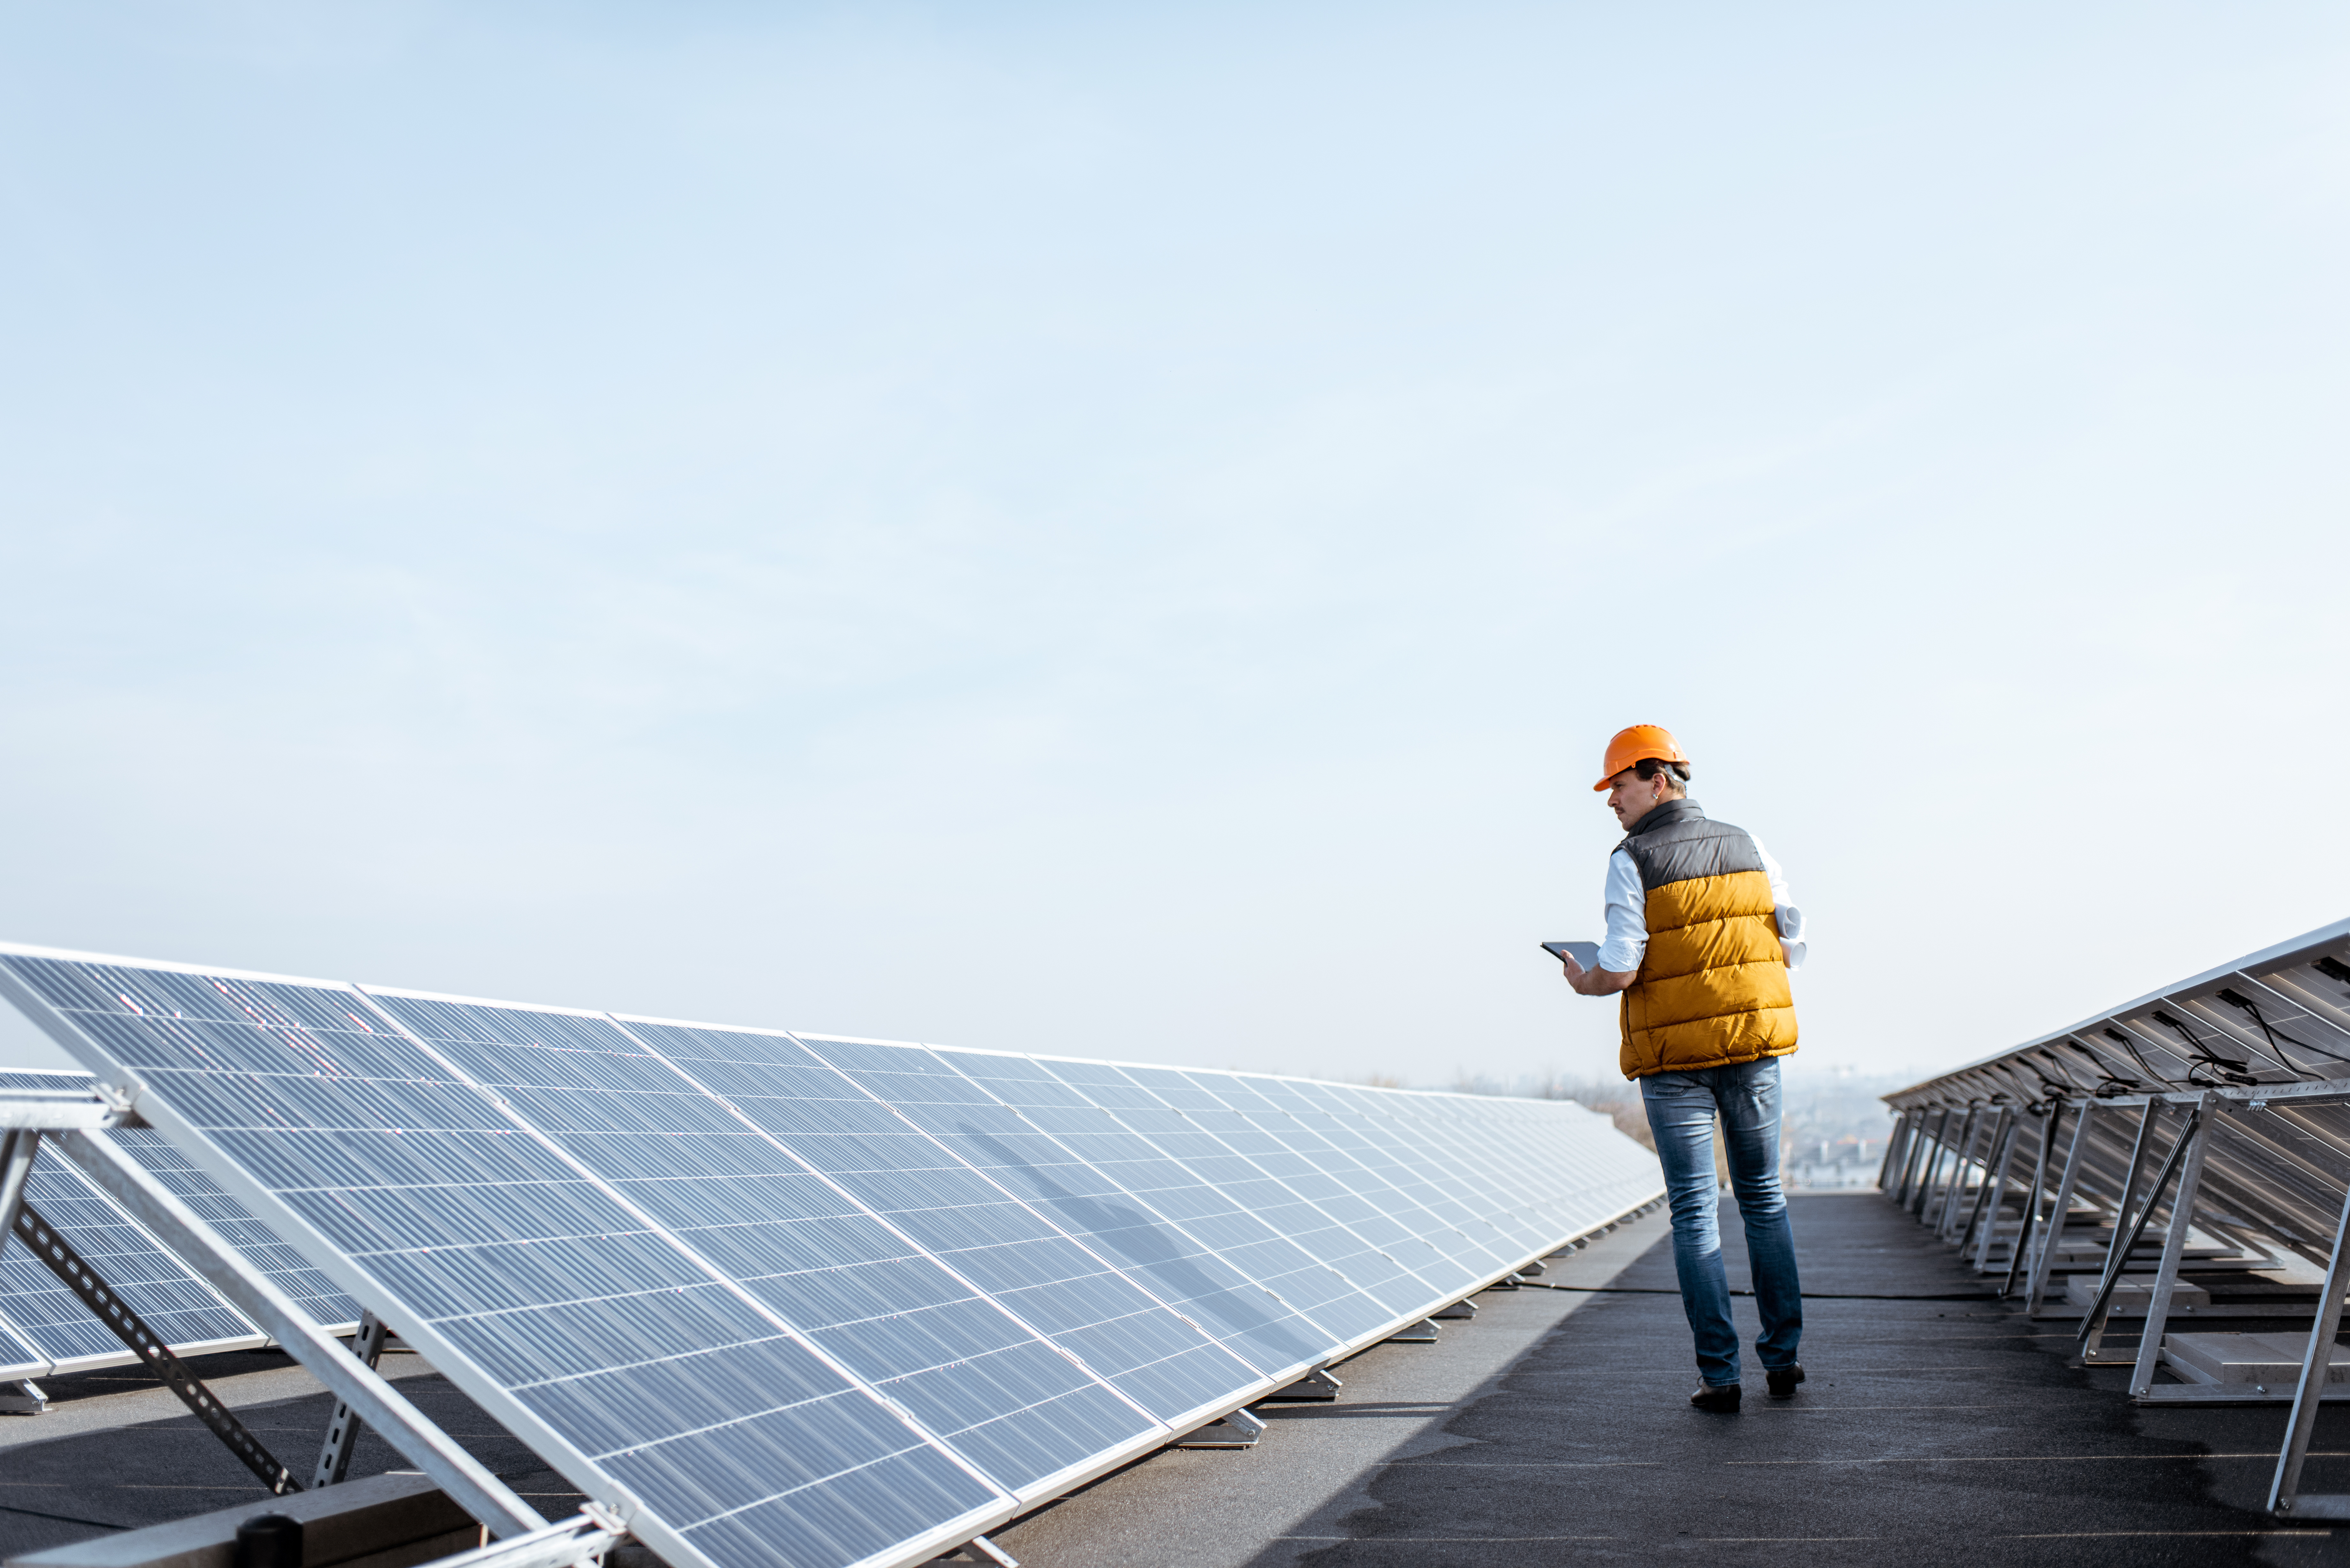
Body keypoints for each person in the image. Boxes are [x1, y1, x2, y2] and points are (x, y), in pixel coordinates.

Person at [1556, 724, 1808, 1413]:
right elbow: (1793, 940)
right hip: (1754, 1044)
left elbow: (1622, 966)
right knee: (1763, 1197)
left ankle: (1719, 1375)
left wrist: (1584, 981)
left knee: (1696, 1211)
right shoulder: (1749, 843)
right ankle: (1783, 1359)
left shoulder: (1631, 857)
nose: (1610, 801)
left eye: (1617, 787)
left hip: (1675, 1065)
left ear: (1656, 779)